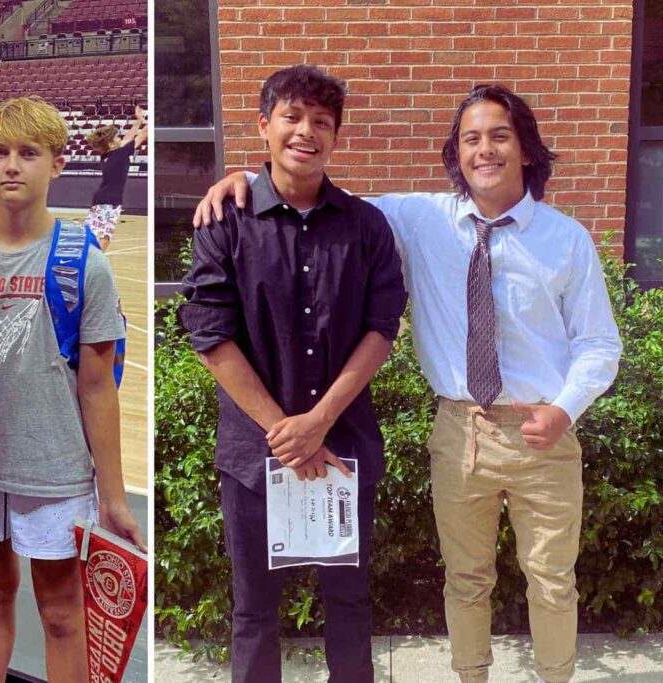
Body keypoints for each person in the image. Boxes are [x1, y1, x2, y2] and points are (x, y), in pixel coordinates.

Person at [195, 83, 623, 683]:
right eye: (470, 138)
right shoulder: (421, 217)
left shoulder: (567, 239)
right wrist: (242, 176)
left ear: (525, 148)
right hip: (461, 431)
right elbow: (309, 192)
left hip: (542, 433)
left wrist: (566, 410)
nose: (485, 150)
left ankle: (555, 676)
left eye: (499, 136)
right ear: (456, 153)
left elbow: (599, 344)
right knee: (465, 580)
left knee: (552, 581)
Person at [181, 65, 407, 683]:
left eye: (322, 122)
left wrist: (319, 423)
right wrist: (285, 430)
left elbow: (381, 328)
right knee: (254, 612)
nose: (307, 132)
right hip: (256, 458)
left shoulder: (366, 226)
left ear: (336, 137)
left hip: (344, 449)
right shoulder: (225, 221)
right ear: (264, 125)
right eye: (292, 117)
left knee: (350, 605)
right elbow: (209, 331)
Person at [0, 95, 145, 682]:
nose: (13, 165)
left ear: (57, 166)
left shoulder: (84, 263)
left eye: (29, 153)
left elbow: (98, 389)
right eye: (1, 152)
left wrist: (113, 498)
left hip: (55, 470)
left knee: (62, 612)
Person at [84, 105, 147, 250]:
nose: (120, 138)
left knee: (90, 234)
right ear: (111, 144)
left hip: (100, 199)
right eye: (117, 137)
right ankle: (95, 262)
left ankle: (85, 260)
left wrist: (138, 120)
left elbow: (127, 139)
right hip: (110, 202)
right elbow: (143, 134)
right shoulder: (119, 155)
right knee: (106, 234)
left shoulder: (108, 155)